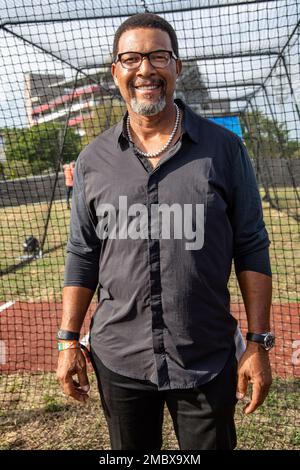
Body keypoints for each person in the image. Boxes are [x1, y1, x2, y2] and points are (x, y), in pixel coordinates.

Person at [56, 13, 274, 450]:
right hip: (119, 357)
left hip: (206, 357)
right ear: (115, 70)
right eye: (131, 58)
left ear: (178, 66)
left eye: (158, 56)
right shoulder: (92, 160)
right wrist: (67, 341)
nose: (145, 70)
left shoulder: (224, 150)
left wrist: (257, 343)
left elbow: (251, 246)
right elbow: (83, 252)